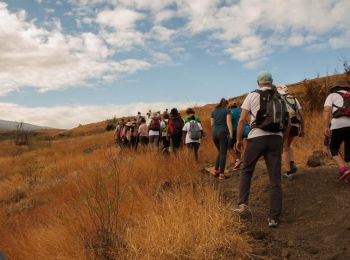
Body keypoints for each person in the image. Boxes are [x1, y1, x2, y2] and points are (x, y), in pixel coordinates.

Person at [234, 71, 289, 228]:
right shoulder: (280, 97)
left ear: (258, 82)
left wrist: (238, 140)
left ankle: (243, 205)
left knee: (246, 170)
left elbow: (242, 120)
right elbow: (288, 123)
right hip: (276, 139)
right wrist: (281, 141)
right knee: (275, 178)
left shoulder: (252, 95)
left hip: (256, 137)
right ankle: (273, 217)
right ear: (271, 82)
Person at [276, 85, 305, 180]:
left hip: (285, 126)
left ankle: (288, 172)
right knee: (288, 146)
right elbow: (302, 114)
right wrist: (302, 129)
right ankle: (292, 164)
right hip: (296, 126)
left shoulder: (277, 99)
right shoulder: (294, 99)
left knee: (283, 148)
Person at [324, 80, 350, 181]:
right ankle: (348, 177)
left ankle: (343, 169)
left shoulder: (332, 96)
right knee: (349, 150)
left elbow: (327, 111)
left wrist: (326, 126)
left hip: (337, 125)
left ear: (335, 88)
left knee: (333, 147)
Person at [211, 98, 233, 180]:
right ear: (226, 104)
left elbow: (212, 124)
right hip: (223, 132)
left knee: (220, 152)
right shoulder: (227, 111)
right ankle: (222, 175)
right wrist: (231, 133)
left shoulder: (213, 111)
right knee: (223, 153)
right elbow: (229, 122)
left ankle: (216, 171)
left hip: (214, 133)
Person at [228, 102, 250, 171]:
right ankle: (240, 162)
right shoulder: (240, 111)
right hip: (245, 129)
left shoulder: (230, 112)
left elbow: (229, 122)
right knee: (239, 145)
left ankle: (237, 160)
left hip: (235, 130)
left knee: (229, 146)